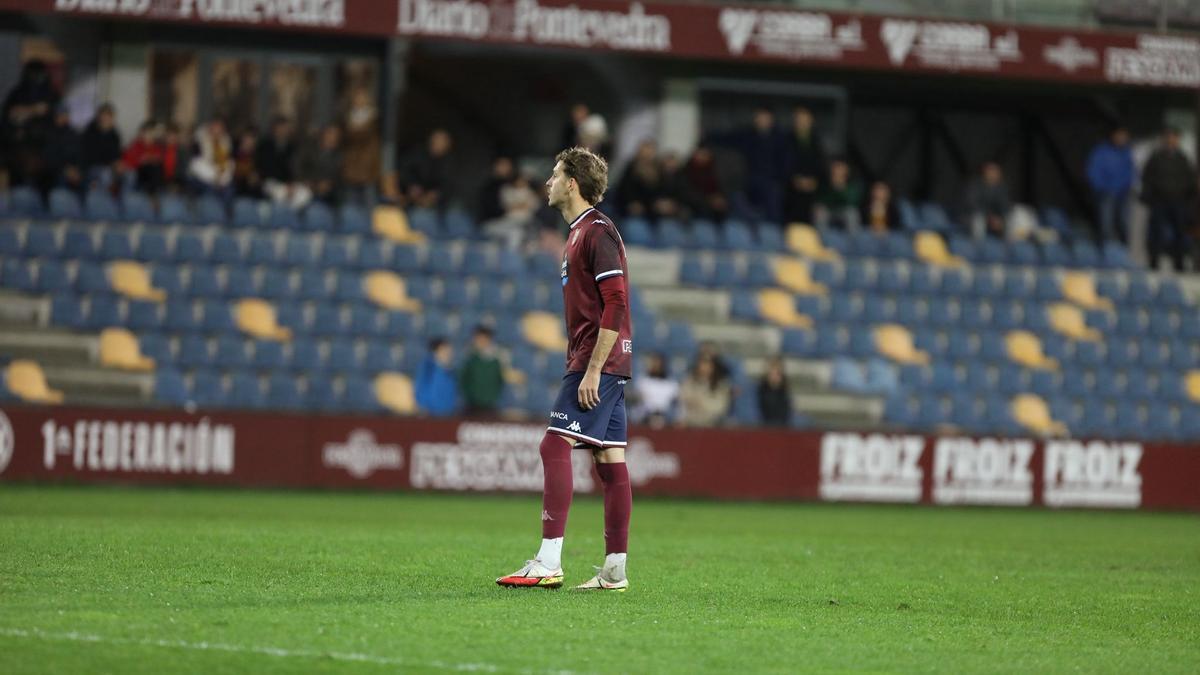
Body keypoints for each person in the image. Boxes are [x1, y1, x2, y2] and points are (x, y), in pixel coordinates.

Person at [496, 146, 633, 593]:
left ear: (572, 184)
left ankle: (548, 560)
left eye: (554, 176)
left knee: (553, 445)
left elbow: (616, 303)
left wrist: (593, 369)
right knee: (610, 460)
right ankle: (615, 569)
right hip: (603, 359)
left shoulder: (596, 232)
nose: (548, 183)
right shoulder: (579, 233)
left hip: (597, 360)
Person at [1141, 127, 1198, 271]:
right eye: (1169, 137)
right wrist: (1149, 196)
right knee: (1156, 233)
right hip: (1159, 201)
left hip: (1178, 201)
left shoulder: (1182, 158)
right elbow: (1147, 178)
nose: (1171, 140)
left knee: (1180, 233)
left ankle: (1179, 264)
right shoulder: (1156, 157)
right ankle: (1154, 263)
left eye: (1174, 137)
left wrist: (1188, 199)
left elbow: (1190, 180)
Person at [2, 59, 59, 187]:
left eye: (39, 74)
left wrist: (27, 112)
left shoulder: (50, 94)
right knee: (18, 185)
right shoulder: (18, 93)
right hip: (19, 148)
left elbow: (53, 114)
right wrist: (33, 110)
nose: (36, 77)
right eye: (33, 74)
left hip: (43, 149)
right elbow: (10, 115)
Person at [1085, 125, 1136, 244]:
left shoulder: (1128, 152)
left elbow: (1133, 171)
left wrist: (1128, 186)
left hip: (1123, 193)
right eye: (1120, 136)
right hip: (1106, 193)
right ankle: (1107, 252)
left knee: (1124, 223)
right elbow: (1093, 171)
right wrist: (1101, 187)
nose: (1122, 139)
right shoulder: (1101, 151)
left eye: (1124, 136)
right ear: (1113, 136)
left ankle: (1123, 251)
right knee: (1105, 224)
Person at [783, 106, 826, 225]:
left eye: (805, 120)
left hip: (812, 187)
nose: (802, 123)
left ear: (811, 121)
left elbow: (821, 164)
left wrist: (814, 181)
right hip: (791, 187)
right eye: (799, 120)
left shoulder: (816, 141)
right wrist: (796, 180)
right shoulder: (787, 139)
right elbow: (785, 163)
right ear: (794, 121)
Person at [257, 116, 311, 209]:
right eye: (280, 128)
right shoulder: (265, 145)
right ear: (274, 128)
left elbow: (292, 168)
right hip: (269, 181)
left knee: (305, 194)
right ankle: (279, 216)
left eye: (285, 128)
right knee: (279, 193)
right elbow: (266, 168)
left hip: (287, 183)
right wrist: (284, 185)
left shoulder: (291, 147)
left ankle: (289, 216)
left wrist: (291, 183)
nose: (282, 131)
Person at [341, 87, 380, 205]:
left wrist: (352, 127)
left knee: (369, 208)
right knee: (350, 208)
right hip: (351, 168)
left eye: (362, 98)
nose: (358, 101)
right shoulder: (348, 117)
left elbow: (362, 135)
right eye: (356, 98)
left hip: (367, 168)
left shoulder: (374, 117)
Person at [399, 128, 453, 210]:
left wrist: (437, 194)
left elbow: (448, 184)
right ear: (431, 141)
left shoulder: (449, 161)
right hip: (410, 197)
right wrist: (411, 185)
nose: (438, 145)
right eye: (437, 141)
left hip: (436, 203)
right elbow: (403, 170)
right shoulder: (417, 153)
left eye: (442, 142)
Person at [459, 325, 506, 416]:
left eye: (482, 339)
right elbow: (464, 379)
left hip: (491, 406)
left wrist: (493, 397)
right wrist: (469, 396)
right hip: (471, 406)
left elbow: (500, 381)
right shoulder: (470, 359)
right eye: (477, 339)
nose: (479, 342)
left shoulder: (497, 360)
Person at [40, 105, 84, 195]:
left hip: (74, 171)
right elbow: (48, 158)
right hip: (56, 172)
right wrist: (65, 170)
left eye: (65, 115)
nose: (63, 118)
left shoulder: (74, 133)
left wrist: (77, 169)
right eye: (60, 115)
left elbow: (81, 154)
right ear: (55, 117)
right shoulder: (49, 134)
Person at [679, 355, 732, 427]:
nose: (704, 368)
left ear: (713, 367)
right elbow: (683, 399)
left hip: (712, 424)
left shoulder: (721, 385)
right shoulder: (689, 381)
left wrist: (701, 403)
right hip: (690, 423)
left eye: (707, 365)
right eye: (702, 364)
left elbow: (721, 408)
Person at [965, 161, 1013, 239]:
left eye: (996, 172)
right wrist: (989, 217)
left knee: (1012, 216)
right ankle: (978, 245)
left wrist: (1000, 218)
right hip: (972, 217)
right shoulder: (974, 186)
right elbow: (972, 205)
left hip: (993, 219)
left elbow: (1005, 206)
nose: (993, 174)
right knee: (978, 218)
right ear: (984, 172)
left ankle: (1008, 245)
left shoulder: (1001, 188)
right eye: (991, 171)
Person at [188, 119, 234, 199]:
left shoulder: (226, 144)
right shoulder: (199, 143)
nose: (217, 132)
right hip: (201, 178)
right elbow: (196, 165)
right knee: (210, 193)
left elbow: (229, 165)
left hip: (220, 180)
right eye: (215, 129)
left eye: (220, 130)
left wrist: (222, 180)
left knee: (230, 191)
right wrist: (214, 178)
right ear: (210, 129)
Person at [630, 352, 678, 428]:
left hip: (665, 417)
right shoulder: (642, 381)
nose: (656, 366)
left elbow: (674, 404)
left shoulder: (671, 384)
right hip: (646, 416)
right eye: (654, 363)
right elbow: (638, 401)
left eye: (658, 364)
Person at [81, 103, 122, 190]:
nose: (106, 118)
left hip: (109, 167)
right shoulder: (90, 132)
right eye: (104, 115)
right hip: (92, 167)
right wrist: (111, 163)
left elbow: (116, 154)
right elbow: (90, 154)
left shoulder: (114, 134)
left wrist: (117, 164)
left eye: (109, 116)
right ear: (99, 117)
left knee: (128, 174)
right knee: (105, 174)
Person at [299, 124, 343, 205]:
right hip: (305, 187)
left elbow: (338, 176)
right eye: (330, 134)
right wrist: (305, 180)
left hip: (328, 195)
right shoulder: (310, 149)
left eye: (336, 135)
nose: (333, 138)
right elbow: (298, 165)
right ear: (323, 135)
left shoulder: (339, 156)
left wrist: (329, 184)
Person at [414, 338, 459, 416]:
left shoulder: (450, 370)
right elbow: (420, 388)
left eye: (449, 351)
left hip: (448, 414)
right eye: (445, 350)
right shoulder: (428, 367)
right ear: (436, 351)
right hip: (431, 414)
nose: (449, 353)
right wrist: (423, 406)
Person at [815, 158, 863, 231]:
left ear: (846, 170)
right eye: (835, 167)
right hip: (828, 211)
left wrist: (840, 188)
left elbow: (853, 201)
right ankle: (822, 238)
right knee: (819, 210)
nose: (837, 171)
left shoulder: (853, 184)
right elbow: (820, 200)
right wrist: (833, 187)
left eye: (840, 168)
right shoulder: (825, 183)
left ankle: (853, 239)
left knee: (852, 213)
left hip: (845, 211)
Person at [684, 144, 728, 221]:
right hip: (695, 206)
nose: (702, 157)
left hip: (715, 206)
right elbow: (687, 192)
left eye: (705, 154)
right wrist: (709, 200)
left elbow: (721, 188)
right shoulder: (687, 171)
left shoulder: (715, 170)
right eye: (701, 154)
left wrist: (719, 199)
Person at [121, 120, 166, 194]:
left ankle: (154, 192)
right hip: (138, 172)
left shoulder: (156, 147)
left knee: (156, 168)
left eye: (151, 134)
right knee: (132, 174)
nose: (148, 136)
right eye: (146, 133)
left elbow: (159, 160)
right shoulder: (135, 145)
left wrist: (152, 159)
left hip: (150, 174)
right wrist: (141, 160)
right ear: (142, 134)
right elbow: (127, 161)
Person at [757, 357, 791, 426]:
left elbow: (787, 415)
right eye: (772, 373)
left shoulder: (784, 393)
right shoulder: (760, 391)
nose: (774, 376)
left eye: (777, 373)